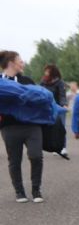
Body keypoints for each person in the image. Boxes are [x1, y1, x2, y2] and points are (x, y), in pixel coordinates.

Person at [0, 50, 43, 202]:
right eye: (20, 61)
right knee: (14, 160)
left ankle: (36, 190)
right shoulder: (0, 82)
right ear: (11, 63)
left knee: (36, 156)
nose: (22, 63)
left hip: (32, 125)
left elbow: (39, 99)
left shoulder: (27, 81)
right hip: (9, 126)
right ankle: (19, 192)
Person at [40, 64, 69, 157]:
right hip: (48, 108)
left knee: (61, 127)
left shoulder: (60, 82)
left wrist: (64, 104)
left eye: (47, 71)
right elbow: (40, 93)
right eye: (45, 71)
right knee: (51, 128)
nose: (45, 73)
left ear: (52, 72)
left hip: (59, 108)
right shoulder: (43, 82)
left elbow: (62, 95)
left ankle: (63, 147)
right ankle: (55, 147)